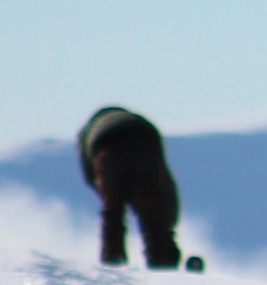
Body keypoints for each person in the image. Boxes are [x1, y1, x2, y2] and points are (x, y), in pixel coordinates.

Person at [76, 106, 198, 271]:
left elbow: (91, 178)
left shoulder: (87, 134)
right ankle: (162, 263)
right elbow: (166, 185)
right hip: (145, 142)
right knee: (153, 212)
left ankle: (113, 263)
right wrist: (168, 222)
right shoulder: (135, 122)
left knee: (113, 213)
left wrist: (112, 196)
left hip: (106, 151)